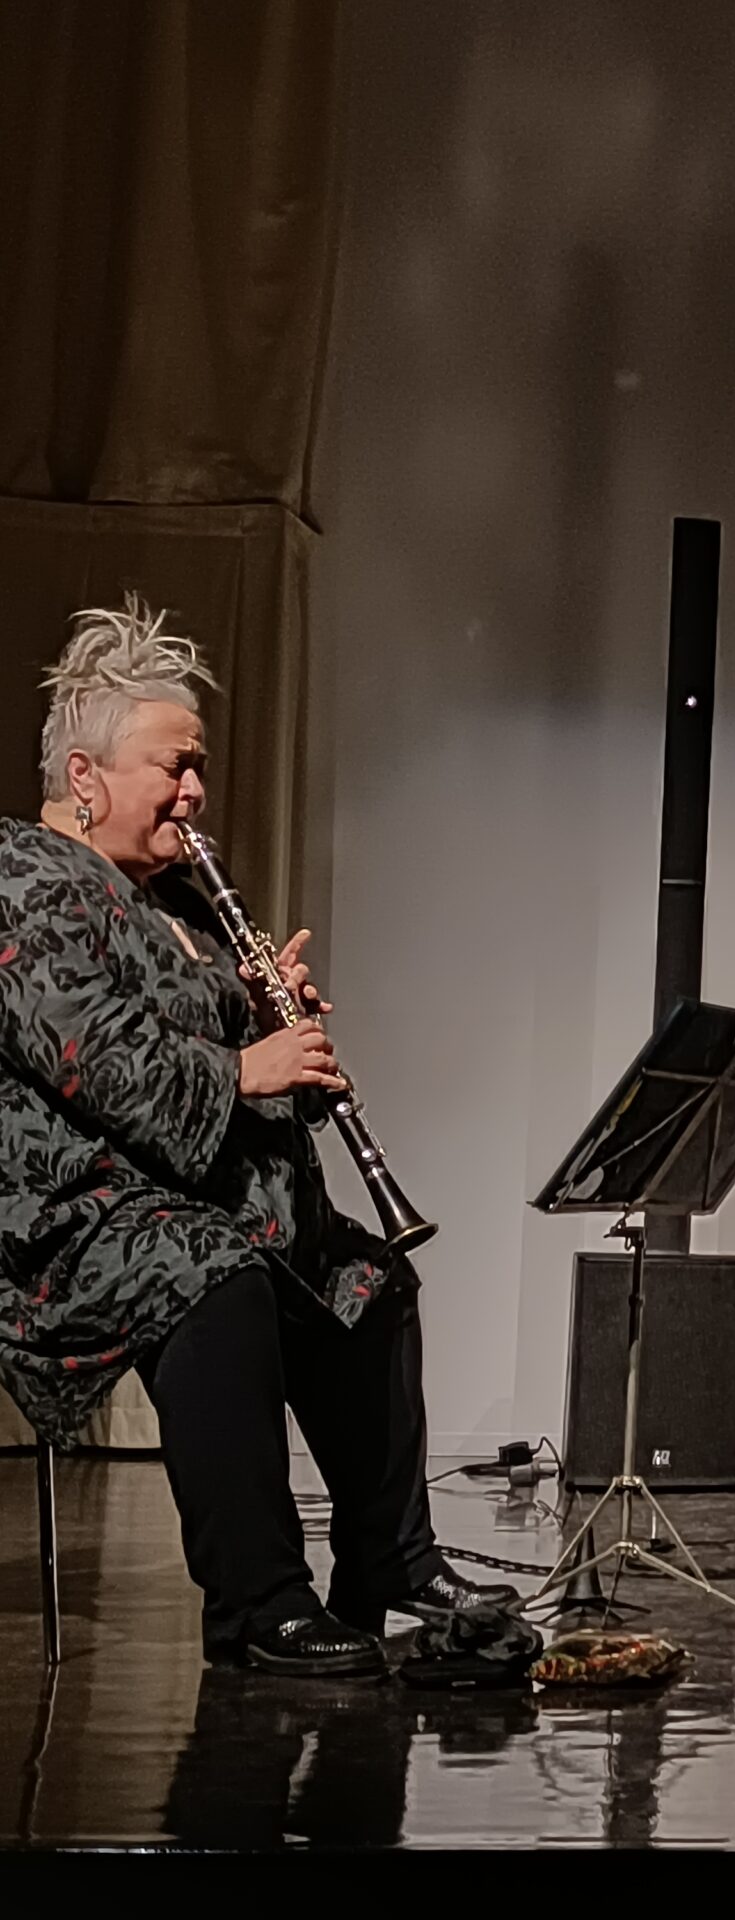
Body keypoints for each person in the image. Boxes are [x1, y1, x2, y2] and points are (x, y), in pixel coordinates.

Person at [0, 599, 511, 1673]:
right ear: (85, 778)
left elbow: (193, 1049)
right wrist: (245, 1062)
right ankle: (258, 1607)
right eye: (170, 767)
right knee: (215, 1276)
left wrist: (258, 1008)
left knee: (365, 1279)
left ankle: (386, 1561)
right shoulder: (21, 882)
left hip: (176, 1196)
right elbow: (99, 1063)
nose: (193, 792)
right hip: (65, 1217)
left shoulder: (168, 898)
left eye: (197, 767)